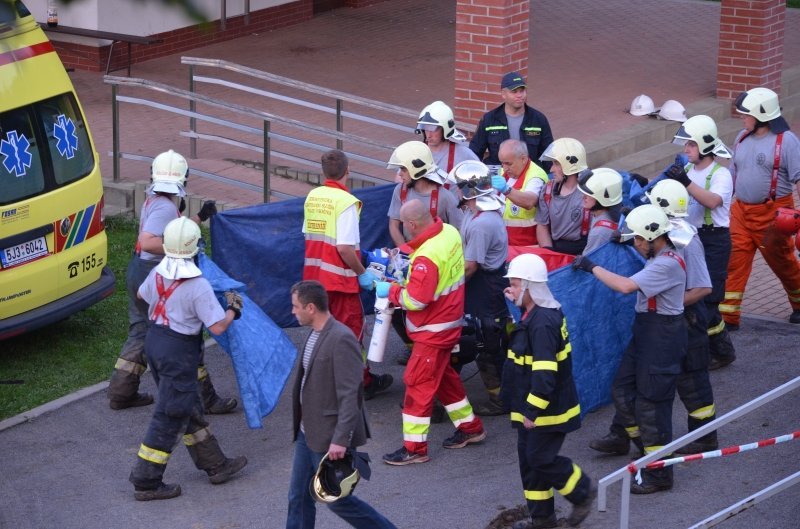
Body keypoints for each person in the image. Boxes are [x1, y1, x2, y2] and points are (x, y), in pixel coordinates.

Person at [107, 149, 236, 415]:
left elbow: (167, 230)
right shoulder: (166, 206)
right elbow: (149, 241)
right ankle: (205, 399)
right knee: (184, 332)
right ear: (183, 179)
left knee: (141, 332)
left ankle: (121, 392)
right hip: (156, 272)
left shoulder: (155, 200)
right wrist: (182, 246)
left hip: (139, 271)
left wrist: (198, 218)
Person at [129, 217, 247, 501]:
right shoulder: (198, 285)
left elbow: (140, 295)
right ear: (195, 248)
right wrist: (233, 309)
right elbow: (218, 326)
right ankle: (146, 481)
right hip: (179, 351)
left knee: (187, 405)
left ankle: (215, 464)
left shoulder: (158, 271)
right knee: (171, 413)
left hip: (156, 342)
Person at [574, 204, 687, 494]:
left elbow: (625, 287)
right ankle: (644, 450)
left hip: (662, 336)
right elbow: (640, 260)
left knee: (652, 405)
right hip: (647, 331)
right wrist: (625, 241)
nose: (635, 243)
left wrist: (591, 266)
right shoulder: (658, 252)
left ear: (653, 237)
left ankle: (660, 472)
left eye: (638, 239)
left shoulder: (667, 263)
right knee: (622, 391)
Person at [376, 199, 486, 465]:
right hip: (448, 323)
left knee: (417, 384)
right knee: (444, 379)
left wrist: (389, 290)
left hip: (432, 331)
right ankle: (471, 428)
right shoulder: (447, 232)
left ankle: (414, 449)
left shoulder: (426, 258)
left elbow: (416, 300)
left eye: (404, 224)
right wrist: (400, 255)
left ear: (412, 224)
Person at [286, 280, 397, 529]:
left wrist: (341, 439)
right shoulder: (316, 334)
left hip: (328, 436)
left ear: (311, 307)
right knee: (299, 497)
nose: (293, 311)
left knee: (338, 501)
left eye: (295, 307)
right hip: (308, 432)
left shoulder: (341, 339)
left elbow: (351, 394)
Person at [501, 253, 594, 529]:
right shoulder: (536, 312)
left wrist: (532, 410)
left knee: (540, 458)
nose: (512, 289)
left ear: (531, 287)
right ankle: (543, 520)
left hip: (545, 409)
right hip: (530, 404)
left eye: (516, 285)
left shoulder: (542, 323)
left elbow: (544, 372)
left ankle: (582, 492)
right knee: (529, 464)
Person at [302, 149, 393, 400]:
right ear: (348, 171)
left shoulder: (313, 197)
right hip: (340, 282)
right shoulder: (347, 203)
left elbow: (315, 237)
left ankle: (326, 380)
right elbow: (343, 247)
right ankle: (360, 383)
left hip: (315, 279)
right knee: (351, 334)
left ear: (323, 172)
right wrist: (363, 273)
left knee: (323, 331)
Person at [646, 180, 719, 454]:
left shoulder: (688, 241)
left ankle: (704, 437)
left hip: (687, 318)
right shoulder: (658, 233)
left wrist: (671, 304)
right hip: (667, 318)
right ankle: (625, 433)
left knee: (692, 377)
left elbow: (703, 287)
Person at [719, 87, 800, 328]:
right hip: (741, 212)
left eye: (746, 114)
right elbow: (733, 174)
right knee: (733, 262)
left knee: (783, 262)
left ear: (762, 115)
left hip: (773, 215)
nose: (742, 118)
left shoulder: (787, 142)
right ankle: (728, 318)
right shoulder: (741, 137)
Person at [666, 115, 737, 370]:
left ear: (706, 145)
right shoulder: (687, 170)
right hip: (690, 238)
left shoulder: (722, 175)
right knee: (696, 299)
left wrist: (684, 183)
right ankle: (715, 351)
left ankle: (715, 353)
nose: (686, 150)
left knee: (708, 299)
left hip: (715, 239)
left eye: (691, 145)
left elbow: (712, 202)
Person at [451, 160, 509, 416]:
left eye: (458, 187)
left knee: (486, 342)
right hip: (482, 284)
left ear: (468, 189)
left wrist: (447, 287)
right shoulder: (473, 212)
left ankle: (500, 399)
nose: (455, 191)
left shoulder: (482, 223)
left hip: (486, 286)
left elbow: (471, 266)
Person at [469, 71, 554, 170]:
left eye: (522, 91)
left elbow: (548, 155)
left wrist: (548, 179)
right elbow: (474, 153)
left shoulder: (539, 119)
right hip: (499, 176)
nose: (519, 95)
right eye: (514, 92)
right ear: (503, 94)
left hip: (530, 178)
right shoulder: (489, 120)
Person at [386, 140, 463, 247]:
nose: (399, 174)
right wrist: (406, 251)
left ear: (416, 169)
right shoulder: (400, 190)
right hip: (410, 254)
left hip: (435, 256)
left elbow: (459, 232)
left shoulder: (445, 197)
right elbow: (393, 225)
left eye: (403, 169)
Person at [535, 138, 591, 255]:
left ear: (570, 165)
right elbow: (542, 226)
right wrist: (550, 255)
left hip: (583, 251)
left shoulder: (590, 192)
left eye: (556, 164)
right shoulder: (547, 191)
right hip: (555, 249)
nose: (551, 169)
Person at [490, 139, 550, 246]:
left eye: (508, 164)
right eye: (502, 163)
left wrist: (506, 190)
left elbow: (529, 201)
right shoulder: (505, 171)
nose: (504, 168)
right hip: (505, 245)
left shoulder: (536, 176)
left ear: (523, 159)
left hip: (527, 247)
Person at [415, 100, 479, 175]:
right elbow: (400, 180)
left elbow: (482, 178)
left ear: (445, 129)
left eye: (433, 129)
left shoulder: (464, 154)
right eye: (425, 128)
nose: (428, 135)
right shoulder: (416, 153)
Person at [577, 167, 624, 254]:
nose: (583, 197)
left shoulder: (599, 232)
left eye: (589, 194)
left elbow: (585, 262)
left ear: (603, 198)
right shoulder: (613, 214)